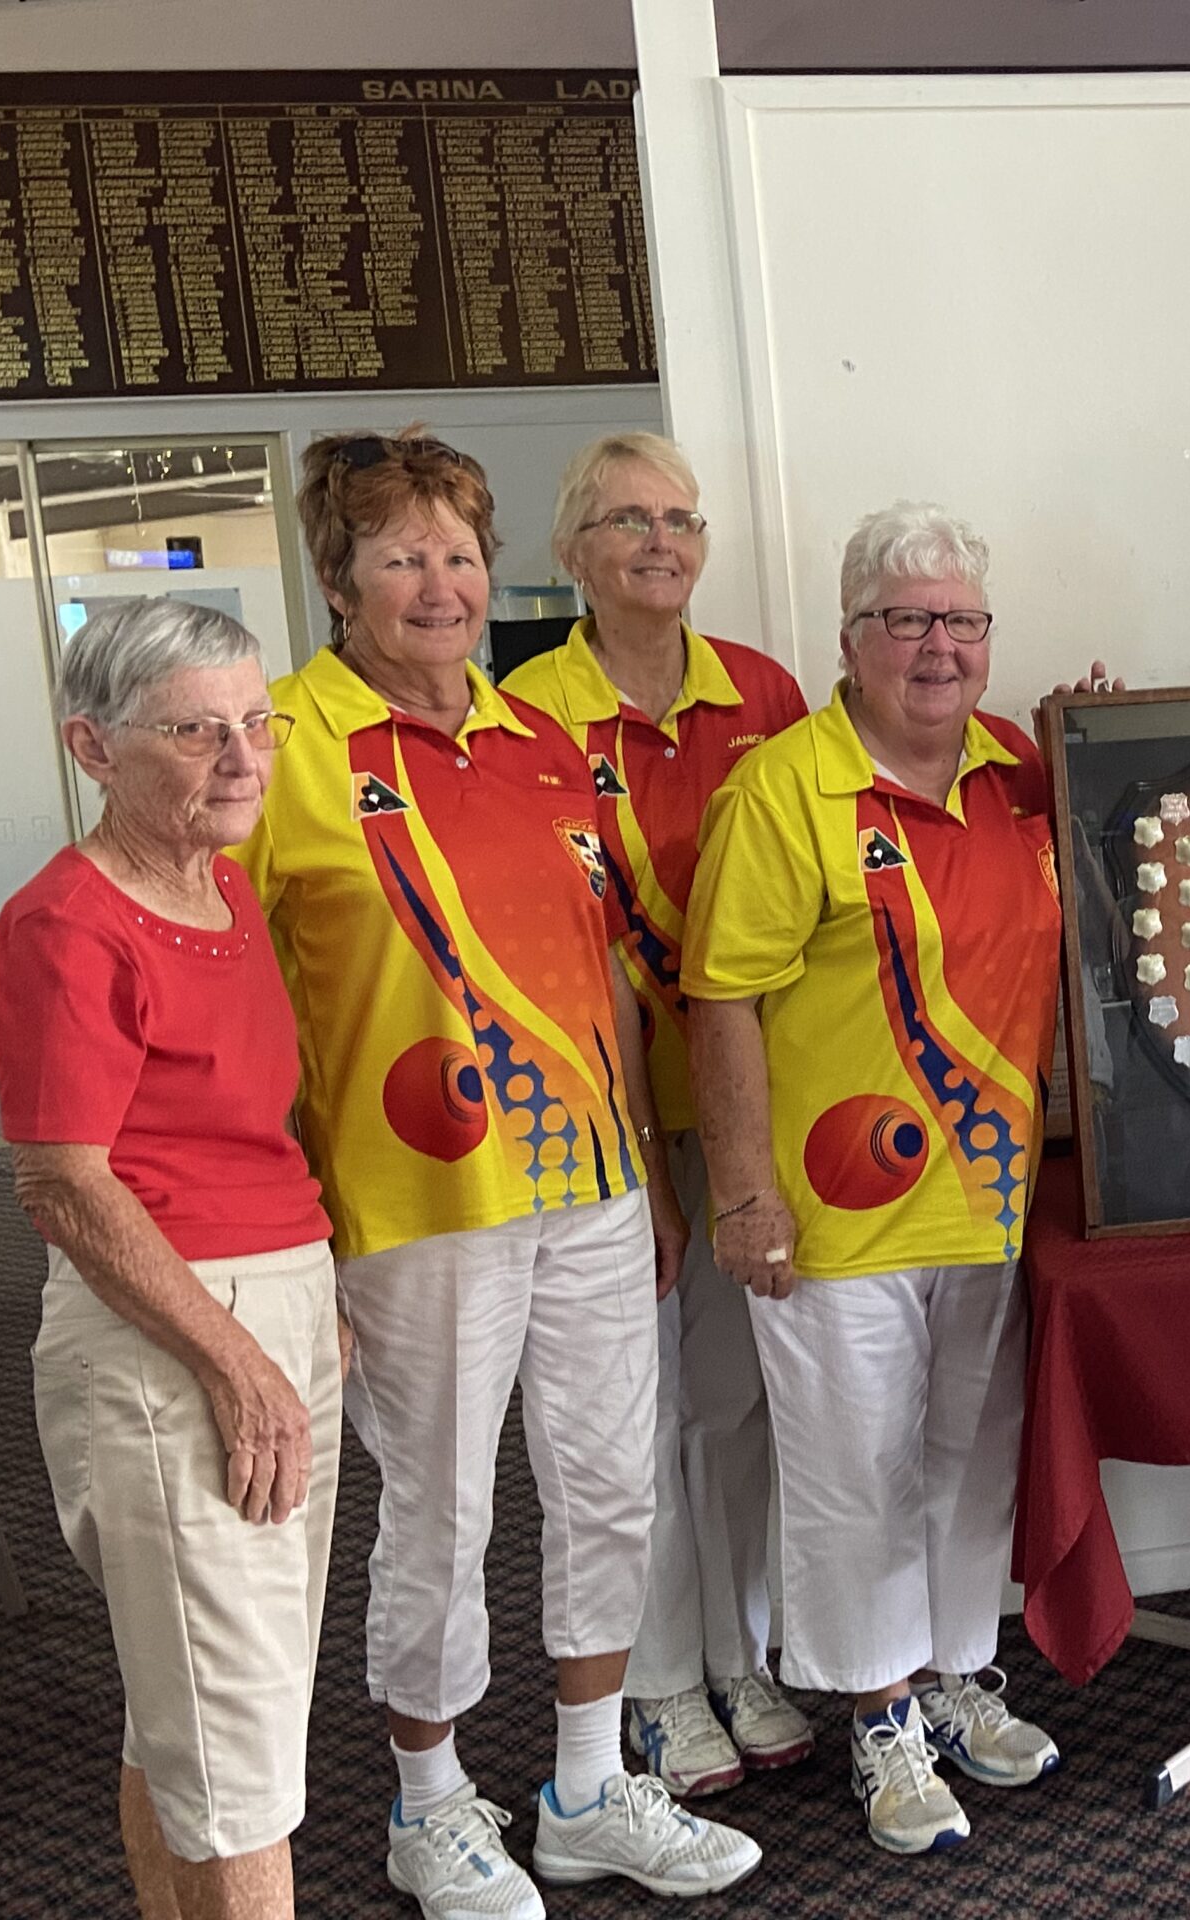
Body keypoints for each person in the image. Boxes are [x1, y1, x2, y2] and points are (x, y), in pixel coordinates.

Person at [246, 430, 759, 1917]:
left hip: (591, 1183)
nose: (439, 582)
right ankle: (428, 1803)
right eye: (399, 555)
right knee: (443, 1505)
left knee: (608, 1491)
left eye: (459, 553)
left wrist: (650, 1182)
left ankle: (589, 1785)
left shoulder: (542, 740)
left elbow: (597, 974)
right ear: (338, 583)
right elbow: (226, 993)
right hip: (415, 1205)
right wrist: (285, 1224)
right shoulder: (282, 744)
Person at [685, 502, 1106, 1856]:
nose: (938, 646)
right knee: (852, 1471)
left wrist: (1093, 738)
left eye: (962, 621)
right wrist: (743, 1192)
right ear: (853, 641)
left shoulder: (1010, 777)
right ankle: (877, 1715)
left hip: (986, 1197)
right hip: (831, 1214)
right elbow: (722, 1000)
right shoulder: (783, 788)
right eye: (908, 620)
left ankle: (952, 1673)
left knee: (966, 1454)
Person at [0, 601, 337, 1920]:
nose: (244, 757)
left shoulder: (223, 880)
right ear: (93, 746)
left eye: (258, 722)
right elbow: (64, 1187)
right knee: (237, 1745)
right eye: (198, 731)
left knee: (191, 1708)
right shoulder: (66, 925)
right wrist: (240, 1360)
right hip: (173, 1335)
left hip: (272, 1303)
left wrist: (309, 1300)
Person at [503, 432, 814, 1799]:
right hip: (600, 1117)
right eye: (628, 519)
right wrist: (645, 1163)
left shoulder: (766, 691)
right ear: (573, 552)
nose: (661, 541)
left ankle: (740, 1652)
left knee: (738, 1406)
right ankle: (659, 1683)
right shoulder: (521, 717)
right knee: (624, 1425)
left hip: (748, 1108)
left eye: (681, 518)